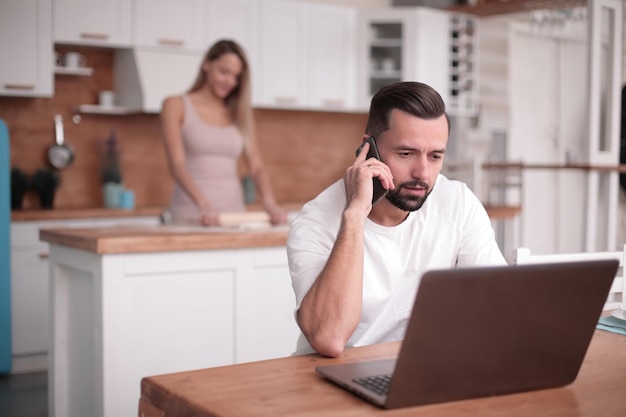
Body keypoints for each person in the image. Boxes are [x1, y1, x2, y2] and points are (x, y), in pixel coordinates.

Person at [287, 81, 507, 358]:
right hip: (331, 376)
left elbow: (500, 308)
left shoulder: (458, 204)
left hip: (421, 367)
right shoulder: (317, 221)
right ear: (369, 149)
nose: (423, 173)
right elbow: (329, 338)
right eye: (406, 153)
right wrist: (355, 216)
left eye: (435, 156)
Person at [161, 39, 287, 226]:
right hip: (193, 213)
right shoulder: (176, 105)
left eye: (236, 76)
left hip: (233, 214)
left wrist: (270, 202)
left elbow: (256, 166)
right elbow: (177, 165)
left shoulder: (240, 114)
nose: (230, 81)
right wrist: (203, 205)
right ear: (206, 64)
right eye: (224, 72)